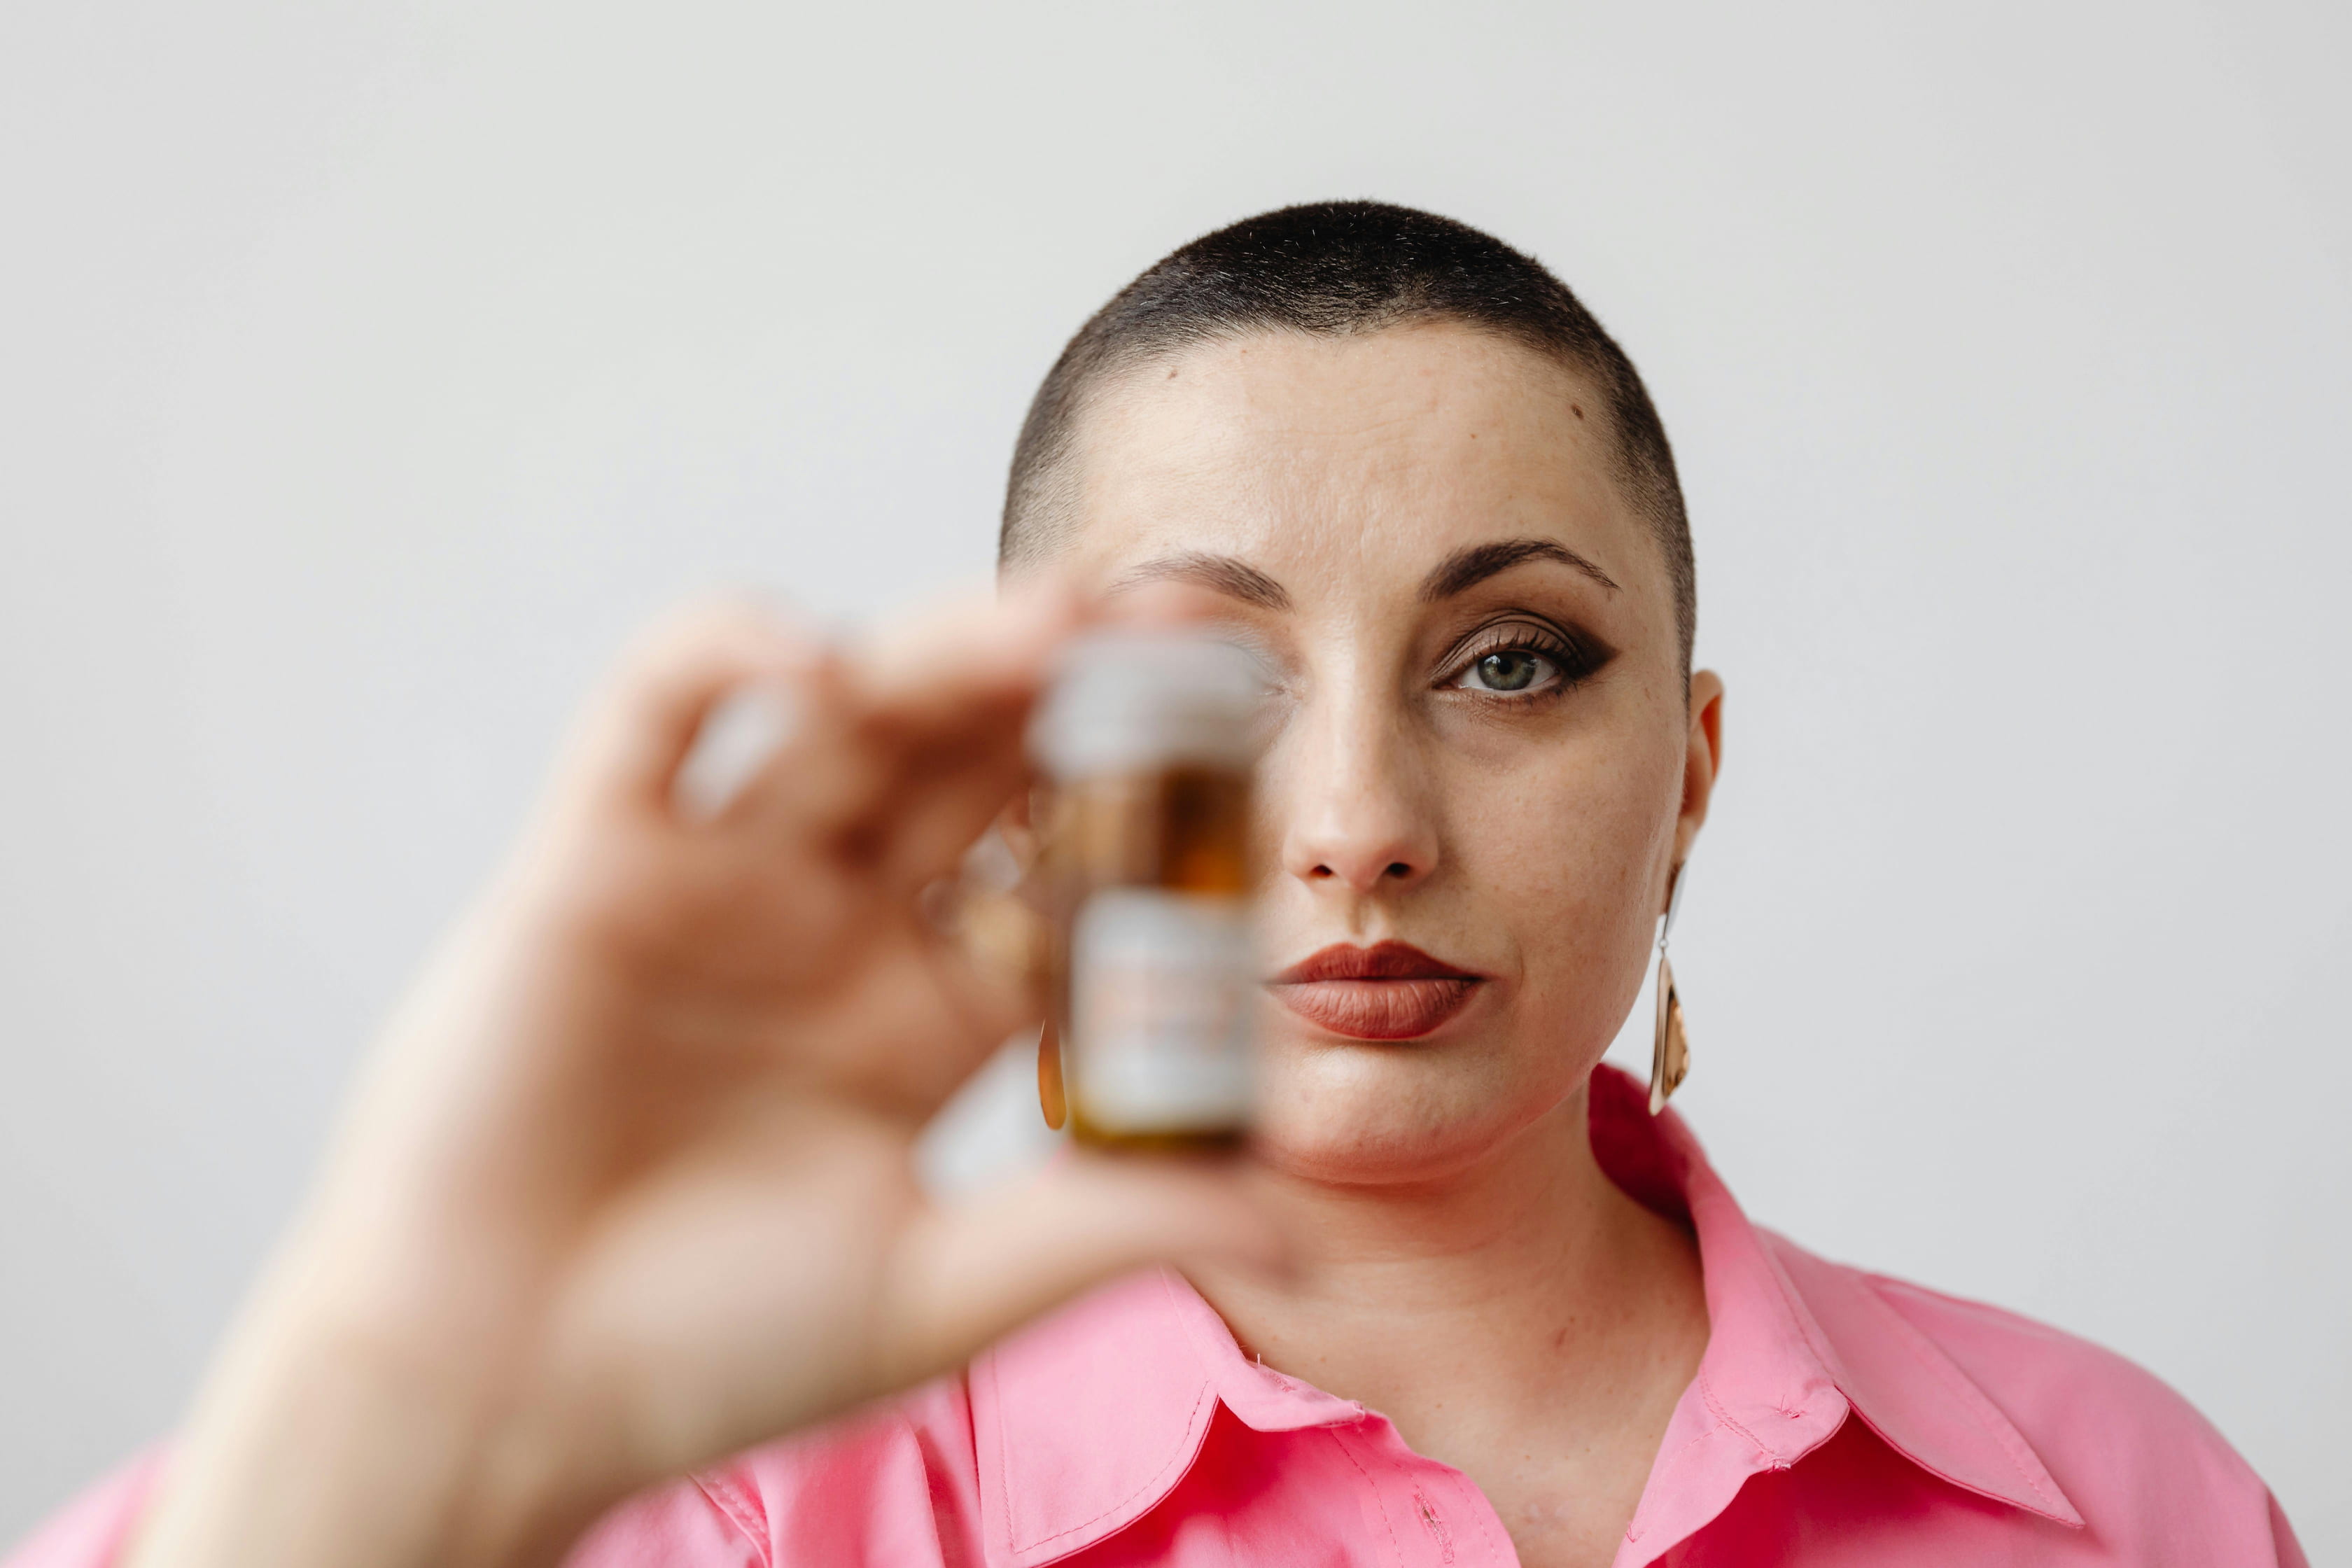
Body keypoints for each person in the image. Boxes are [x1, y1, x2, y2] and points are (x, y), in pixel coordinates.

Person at [7, 203, 2305, 1568]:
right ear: (1026, 790)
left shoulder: (2117, 1500)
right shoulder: (713, 1502)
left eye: (1511, 659)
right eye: (1201, 688)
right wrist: (377, 1422)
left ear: (1688, 772)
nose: (1358, 820)